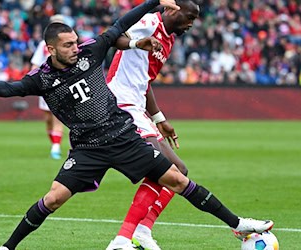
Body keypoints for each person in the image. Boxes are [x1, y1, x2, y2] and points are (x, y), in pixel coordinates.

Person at [0, 1, 274, 249]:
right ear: (51, 49)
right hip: (88, 148)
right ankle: (8, 247)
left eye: (76, 42)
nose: (76, 47)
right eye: (68, 45)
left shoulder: (91, 53)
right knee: (53, 198)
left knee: (178, 179)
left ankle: (237, 225)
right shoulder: (42, 79)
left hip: (123, 137)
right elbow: (11, 89)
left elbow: (118, 26)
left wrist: (153, 2)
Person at [105, 0, 198, 249]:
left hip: (137, 106)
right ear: (170, 10)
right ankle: (122, 239)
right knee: (162, 167)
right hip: (120, 101)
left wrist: (160, 120)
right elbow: (115, 38)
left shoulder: (168, 41)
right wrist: (136, 42)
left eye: (193, 20)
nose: (190, 24)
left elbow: (145, 81)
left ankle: (143, 230)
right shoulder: (150, 22)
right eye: (188, 17)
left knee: (179, 171)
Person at [30, 14, 68, 160]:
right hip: (46, 85)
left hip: (61, 85)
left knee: (56, 116)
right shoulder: (43, 45)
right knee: (47, 118)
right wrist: (33, 80)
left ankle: (56, 148)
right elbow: (35, 64)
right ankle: (54, 144)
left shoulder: (68, 43)